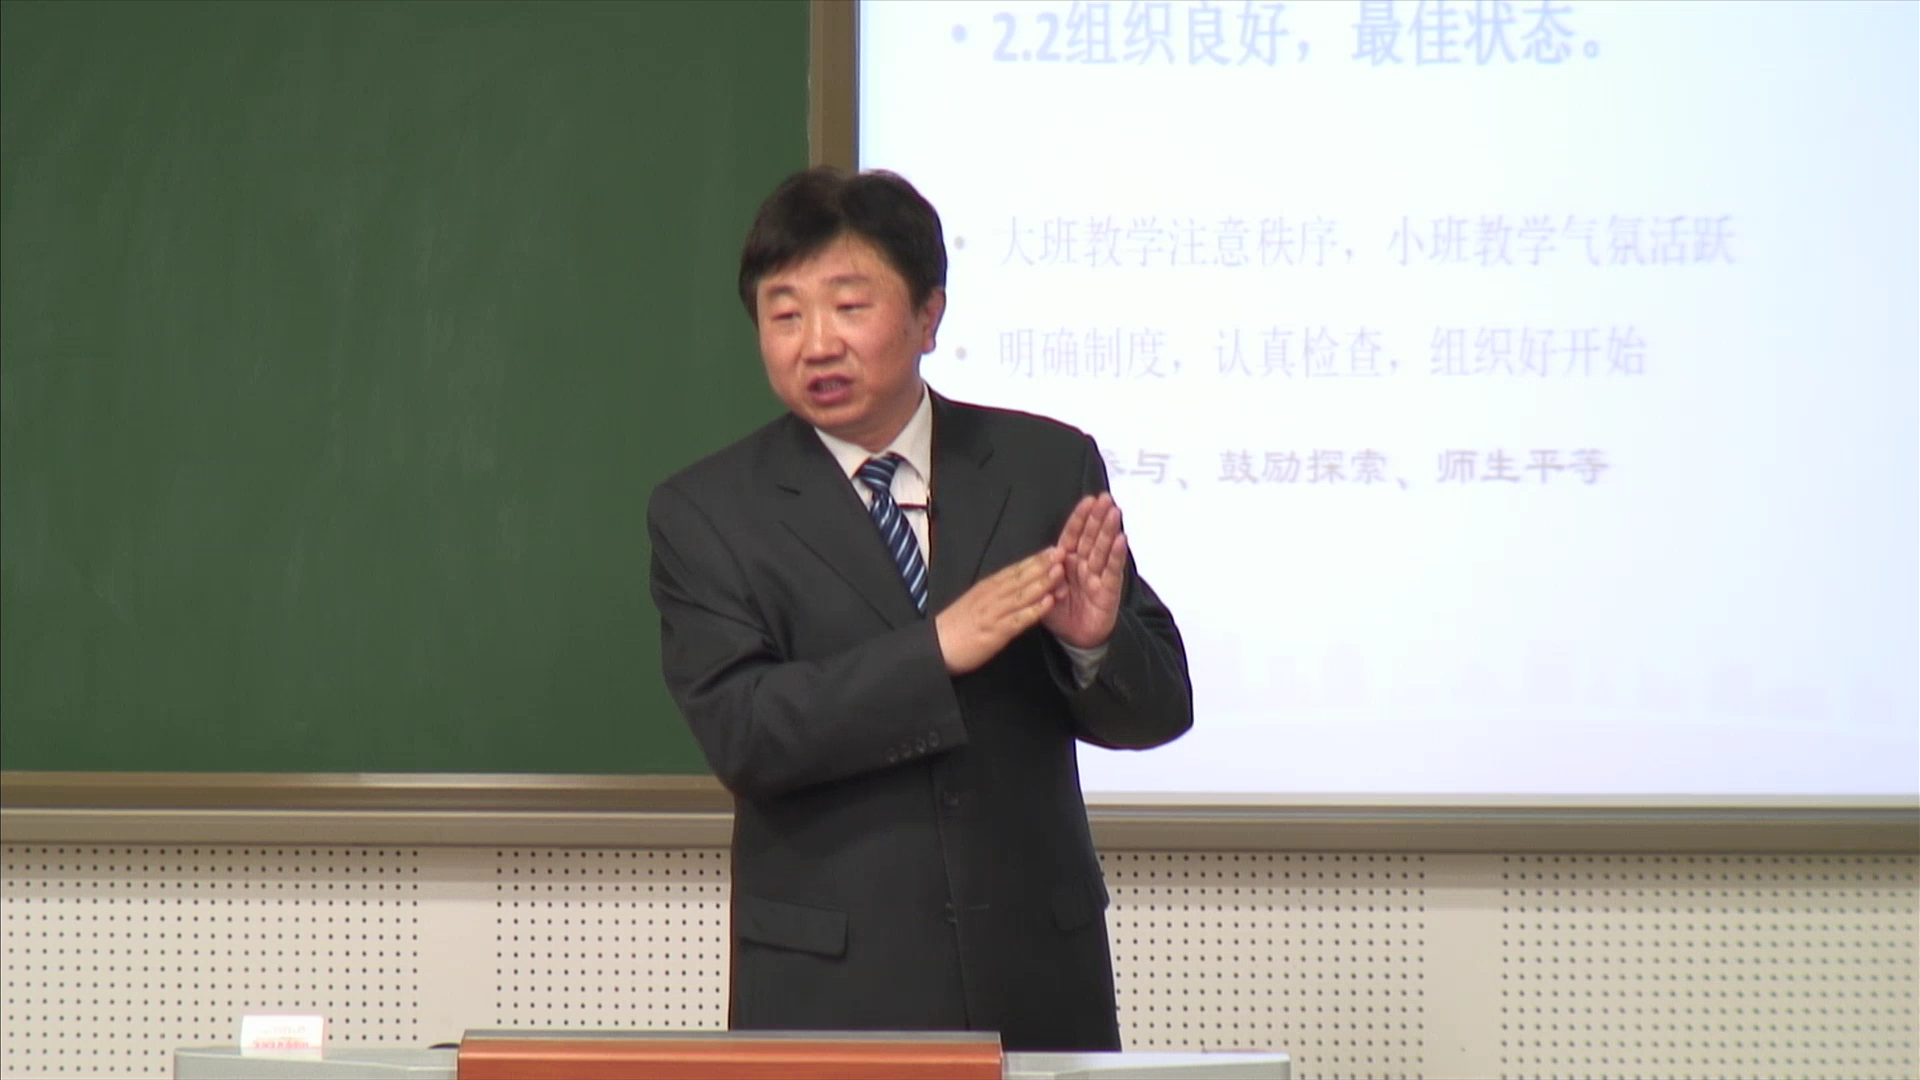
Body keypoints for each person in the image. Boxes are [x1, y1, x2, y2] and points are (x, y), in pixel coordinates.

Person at [646, 166, 1193, 1052]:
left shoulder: (1043, 466)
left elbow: (1160, 710)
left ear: (929, 315)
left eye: (848, 307)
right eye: (784, 315)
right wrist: (935, 650)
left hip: (1035, 976)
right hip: (830, 987)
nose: (816, 343)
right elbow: (744, 732)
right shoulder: (708, 511)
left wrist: (1095, 645)